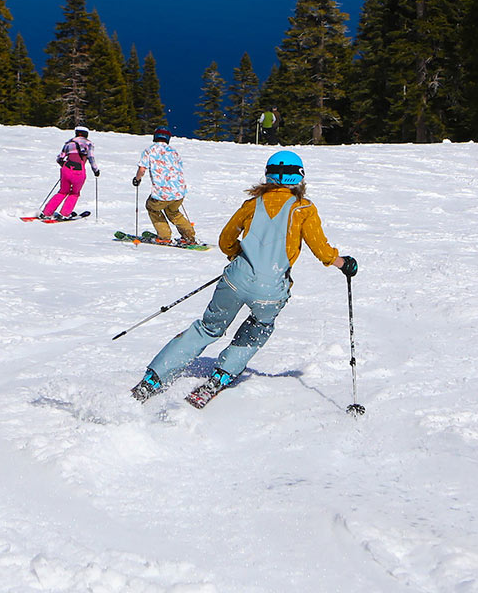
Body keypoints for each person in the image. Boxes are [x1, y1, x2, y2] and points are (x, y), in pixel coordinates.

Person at [131, 149, 357, 406]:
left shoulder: (252, 204)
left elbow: (226, 239)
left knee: (208, 328)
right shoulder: (303, 208)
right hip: (271, 289)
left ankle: (154, 379)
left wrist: (239, 256)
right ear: (299, 177)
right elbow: (322, 251)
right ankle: (222, 374)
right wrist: (344, 264)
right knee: (259, 326)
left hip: (235, 280)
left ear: (268, 176)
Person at [131, 127, 199, 245]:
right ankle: (189, 236)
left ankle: (164, 236)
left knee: (152, 208)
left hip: (161, 193)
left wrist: (137, 179)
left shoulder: (150, 150)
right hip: (179, 192)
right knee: (173, 212)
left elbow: (142, 169)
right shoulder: (173, 151)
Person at [40, 126, 100, 220]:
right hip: (78, 172)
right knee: (74, 193)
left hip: (66, 170)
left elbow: (60, 158)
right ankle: (64, 213)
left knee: (62, 192)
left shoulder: (69, 143)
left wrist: (65, 165)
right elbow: (91, 158)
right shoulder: (88, 143)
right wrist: (96, 170)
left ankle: (46, 213)